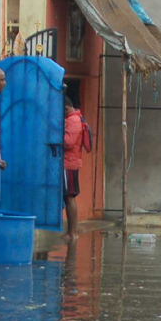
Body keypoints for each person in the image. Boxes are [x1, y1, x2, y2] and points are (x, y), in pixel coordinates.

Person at [62, 97, 87, 241]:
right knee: (69, 197)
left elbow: (68, 142)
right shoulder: (76, 119)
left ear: (66, 108)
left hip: (68, 163)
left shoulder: (73, 120)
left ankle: (72, 233)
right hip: (70, 162)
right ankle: (72, 232)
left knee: (69, 197)